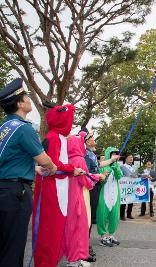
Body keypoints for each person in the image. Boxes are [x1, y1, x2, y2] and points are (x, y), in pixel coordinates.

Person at [0, 78, 57, 267]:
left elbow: (8, 158)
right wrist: (52, 167)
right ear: (19, 103)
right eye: (26, 97)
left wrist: (33, 168)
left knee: (3, 242)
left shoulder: (3, 128)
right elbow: (44, 158)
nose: (29, 100)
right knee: (14, 246)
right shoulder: (24, 129)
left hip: (4, 188)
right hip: (15, 192)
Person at [32, 102, 85, 267]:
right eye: (70, 118)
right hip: (51, 190)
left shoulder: (59, 137)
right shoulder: (54, 138)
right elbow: (53, 165)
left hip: (59, 188)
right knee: (50, 231)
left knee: (56, 230)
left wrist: (70, 169)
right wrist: (72, 169)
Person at [63, 132, 105, 267]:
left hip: (71, 195)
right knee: (80, 227)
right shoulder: (79, 159)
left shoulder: (68, 158)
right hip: (80, 194)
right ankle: (75, 260)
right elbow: (85, 179)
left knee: (72, 227)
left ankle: (73, 257)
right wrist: (97, 178)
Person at [83, 130, 118, 259]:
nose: (95, 140)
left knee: (90, 218)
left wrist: (112, 160)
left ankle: (85, 245)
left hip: (94, 187)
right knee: (87, 218)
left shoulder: (91, 153)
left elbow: (98, 165)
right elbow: (85, 173)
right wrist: (100, 176)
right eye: (92, 138)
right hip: (89, 189)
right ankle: (83, 247)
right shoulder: (85, 154)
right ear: (87, 141)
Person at [97, 147, 124, 247]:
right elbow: (101, 181)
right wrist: (105, 175)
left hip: (115, 195)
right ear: (109, 155)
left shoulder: (117, 165)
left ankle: (111, 235)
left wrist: (116, 168)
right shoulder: (103, 166)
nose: (115, 156)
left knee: (115, 216)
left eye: (116, 154)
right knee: (102, 215)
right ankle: (103, 237)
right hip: (105, 195)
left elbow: (119, 176)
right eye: (113, 154)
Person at [120, 154, 138, 220]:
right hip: (125, 187)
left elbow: (136, 176)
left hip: (132, 186)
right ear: (126, 159)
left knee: (131, 200)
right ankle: (122, 215)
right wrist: (132, 176)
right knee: (124, 201)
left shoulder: (133, 167)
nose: (131, 158)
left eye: (132, 157)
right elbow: (127, 175)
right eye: (129, 157)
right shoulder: (122, 167)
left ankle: (129, 214)